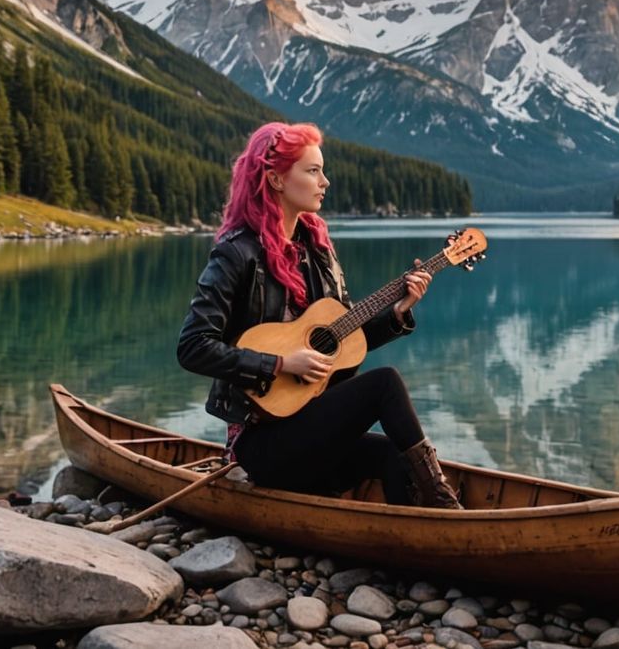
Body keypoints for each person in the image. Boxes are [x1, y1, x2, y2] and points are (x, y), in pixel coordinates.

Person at [177, 121, 463, 509]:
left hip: (312, 428)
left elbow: (341, 343)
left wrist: (397, 313)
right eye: (313, 171)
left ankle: (418, 542)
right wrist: (278, 363)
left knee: (395, 458)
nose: (325, 181)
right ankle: (446, 505)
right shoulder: (236, 253)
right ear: (276, 179)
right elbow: (193, 347)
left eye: (322, 171)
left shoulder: (319, 253)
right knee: (385, 384)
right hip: (263, 443)